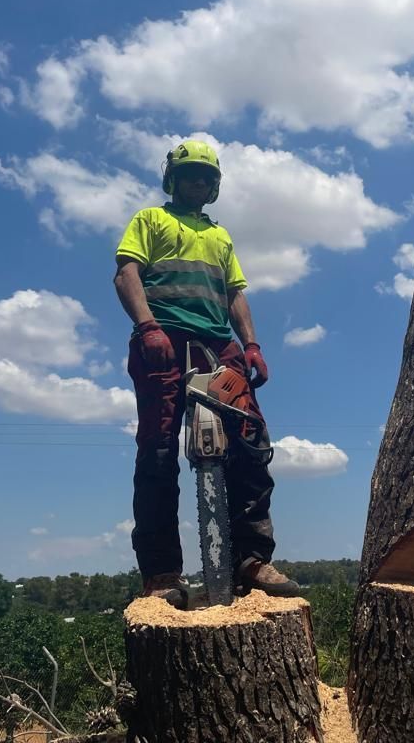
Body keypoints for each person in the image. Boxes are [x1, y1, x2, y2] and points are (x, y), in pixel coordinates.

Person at [114, 139, 300, 607]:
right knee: (158, 452)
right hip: (164, 341)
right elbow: (126, 274)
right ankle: (161, 574)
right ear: (172, 179)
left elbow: (236, 293)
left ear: (214, 186)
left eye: (206, 176)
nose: (198, 181)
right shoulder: (151, 220)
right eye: (190, 174)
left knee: (250, 442)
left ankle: (251, 561)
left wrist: (251, 345)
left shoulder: (220, 236)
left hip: (218, 347)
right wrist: (147, 326)